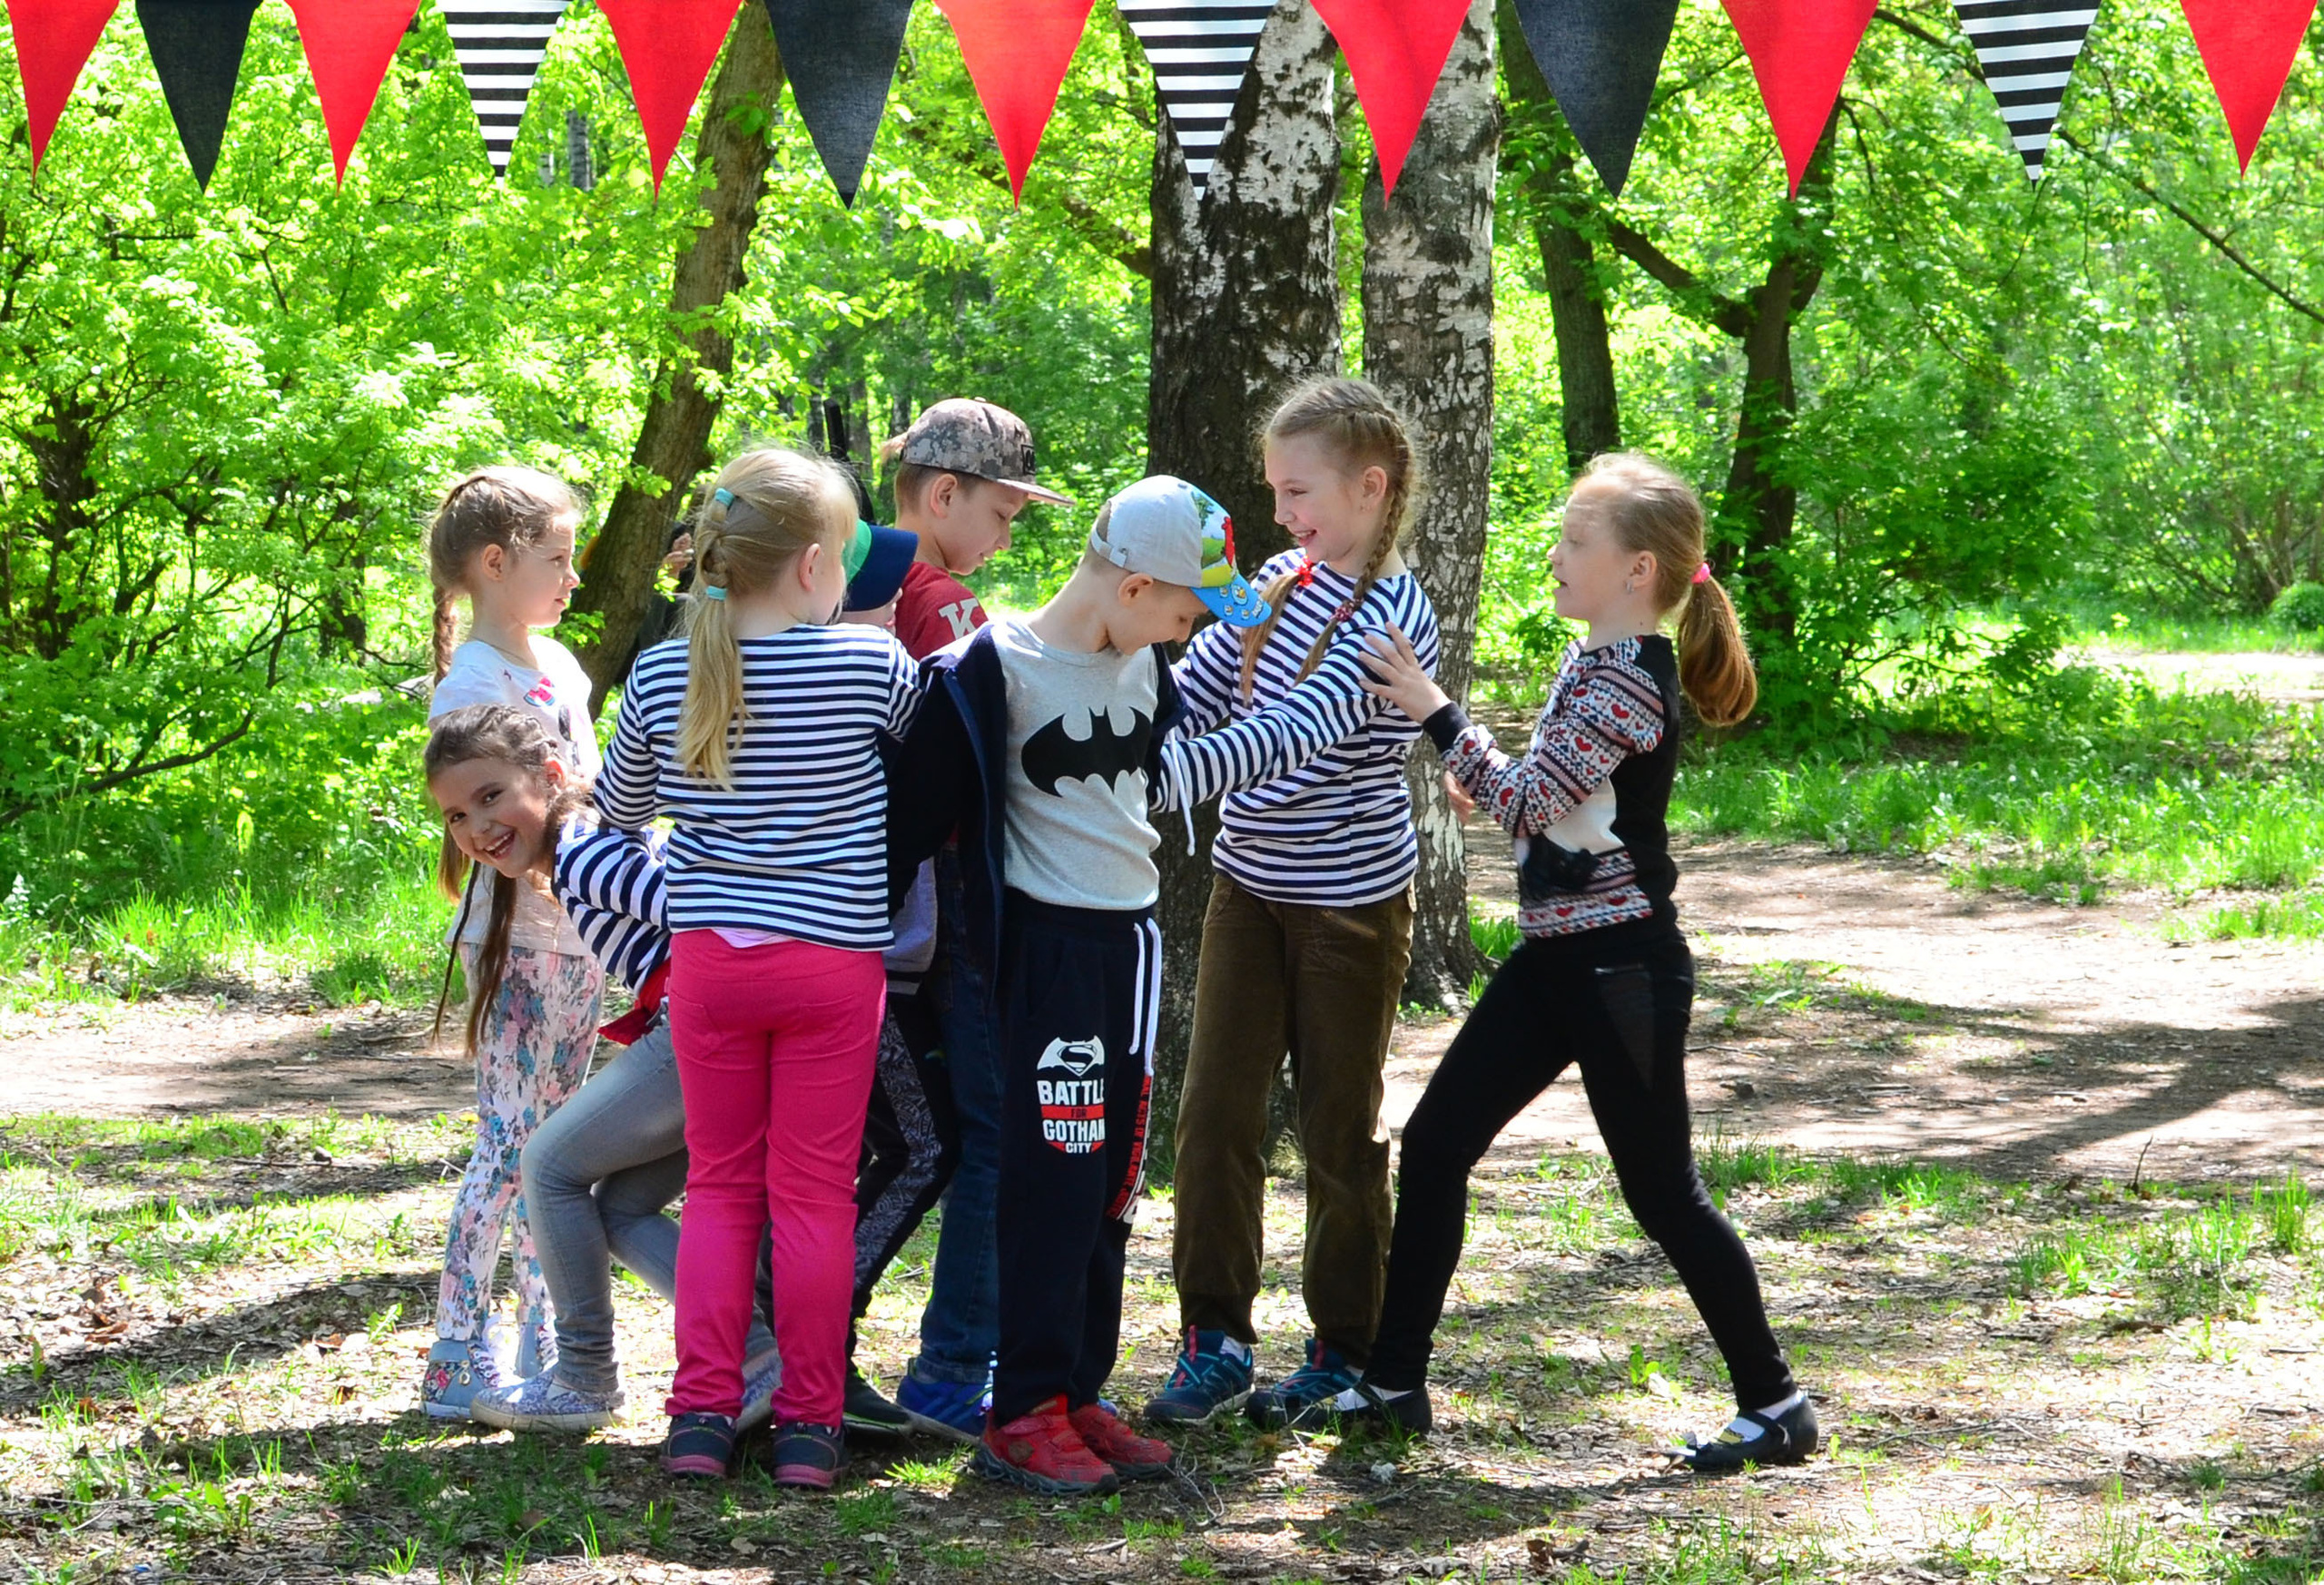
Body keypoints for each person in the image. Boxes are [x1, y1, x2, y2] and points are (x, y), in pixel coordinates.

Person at [886, 476, 1405, 1495]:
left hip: (1130, 949)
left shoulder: (1138, 666)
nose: (1187, 631)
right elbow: (908, 828)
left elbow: (1161, 778)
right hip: (1046, 957)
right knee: (1051, 1178)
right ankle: (1021, 1410)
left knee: (1113, 1182)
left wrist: (1313, 713)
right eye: (1183, 610)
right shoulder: (989, 670)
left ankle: (1077, 1392)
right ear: (1131, 587)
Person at [1316, 453, 1818, 1472]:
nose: (1554, 557)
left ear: (1637, 570)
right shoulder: (1595, 665)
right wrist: (1496, 779)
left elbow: (1529, 801)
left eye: (1573, 544)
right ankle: (1393, 1385)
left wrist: (1434, 708)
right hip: (1558, 961)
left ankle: (1775, 1405)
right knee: (1437, 1143)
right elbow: (1555, 800)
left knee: (1662, 1192)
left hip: (1620, 970)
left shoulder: (1632, 678)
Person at [595, 448, 921, 1490]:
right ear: (821, 567)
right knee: (814, 1199)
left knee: (726, 1191)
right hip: (831, 968)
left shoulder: (661, 670)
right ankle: (810, 1429)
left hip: (711, 968)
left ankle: (700, 1416)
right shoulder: (873, 667)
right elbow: (922, 767)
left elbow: (620, 810)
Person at [1147, 377, 1443, 1431]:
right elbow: (1190, 682)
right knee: (1214, 1114)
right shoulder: (1272, 579)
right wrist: (1119, 720)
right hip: (1249, 887)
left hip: (1350, 909)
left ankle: (1346, 1349)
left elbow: (1294, 734)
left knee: (1336, 1128)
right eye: (1274, 490)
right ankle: (1214, 1337)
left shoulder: (1393, 616)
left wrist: (1152, 783)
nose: (1281, 513)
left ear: (1370, 487)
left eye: (1297, 490)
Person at [417, 703, 786, 1437]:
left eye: (491, 797)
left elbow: (701, 908)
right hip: (732, 1034)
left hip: (707, 1029)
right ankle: (757, 1357)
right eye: (457, 816)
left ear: (550, 777)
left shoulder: (582, 855)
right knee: (621, 1208)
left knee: (548, 1164)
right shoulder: (588, 844)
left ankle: (584, 1374)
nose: (476, 829)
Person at [875, 399, 1076, 1442]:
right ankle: (953, 1372)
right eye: (1003, 510)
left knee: (926, 1134)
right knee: (993, 1137)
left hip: (870, 903)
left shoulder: (849, 582)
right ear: (942, 494)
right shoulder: (943, 604)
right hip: (951, 899)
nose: (1010, 534)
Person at [419, 467, 606, 1419]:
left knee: (558, 1149)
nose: (574, 578)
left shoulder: (562, 667)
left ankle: (542, 1341)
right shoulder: (470, 685)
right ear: (496, 564)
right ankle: (457, 1351)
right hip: (515, 940)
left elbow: (590, 788)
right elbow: (489, 822)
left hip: (580, 938)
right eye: (558, 558)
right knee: (508, 1143)